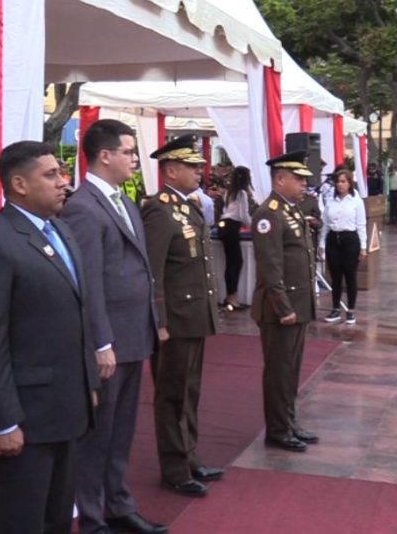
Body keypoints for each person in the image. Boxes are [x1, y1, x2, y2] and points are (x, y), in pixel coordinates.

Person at [0, 141, 99, 534]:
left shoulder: (61, 231)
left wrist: (88, 380)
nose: (63, 182)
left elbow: (78, 312)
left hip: (66, 406)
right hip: (25, 414)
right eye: (50, 174)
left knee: (57, 518)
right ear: (19, 184)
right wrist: (3, 421)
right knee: (22, 521)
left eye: (61, 173)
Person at [61, 119, 166, 534]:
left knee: (122, 430)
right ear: (105, 155)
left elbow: (136, 270)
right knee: (98, 435)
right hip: (110, 341)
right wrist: (100, 341)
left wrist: (151, 323)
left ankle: (118, 504)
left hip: (133, 333)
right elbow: (88, 284)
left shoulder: (123, 199)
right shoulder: (84, 207)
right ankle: (92, 517)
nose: (135, 159)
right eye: (128, 151)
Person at [140, 135, 223, 499]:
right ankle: (174, 468)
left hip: (193, 315)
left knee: (190, 390)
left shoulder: (188, 206)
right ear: (171, 170)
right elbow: (153, 270)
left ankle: (189, 456)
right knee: (172, 394)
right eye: (191, 167)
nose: (198, 172)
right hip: (173, 319)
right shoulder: (158, 209)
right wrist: (158, 319)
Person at [251, 149, 319, 453]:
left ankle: (288, 422)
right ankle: (277, 430)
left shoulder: (291, 210)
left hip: (298, 305)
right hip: (281, 309)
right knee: (279, 371)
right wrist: (283, 307)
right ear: (280, 179)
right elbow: (270, 266)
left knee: (291, 369)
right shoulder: (269, 213)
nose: (304, 183)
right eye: (298, 178)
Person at [319, 168, 367, 325]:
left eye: (343, 181)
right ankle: (335, 308)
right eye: (338, 181)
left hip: (350, 239)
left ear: (349, 183)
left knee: (350, 275)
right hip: (334, 238)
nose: (340, 185)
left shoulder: (356, 201)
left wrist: (363, 246)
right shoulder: (331, 200)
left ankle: (351, 310)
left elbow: (361, 224)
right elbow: (325, 223)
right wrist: (322, 243)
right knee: (335, 276)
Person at [218, 166, 254, 311]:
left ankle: (230, 296)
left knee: (230, 261)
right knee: (236, 262)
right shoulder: (242, 194)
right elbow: (243, 215)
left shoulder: (229, 192)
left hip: (224, 225)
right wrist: (253, 227)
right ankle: (232, 297)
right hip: (232, 226)